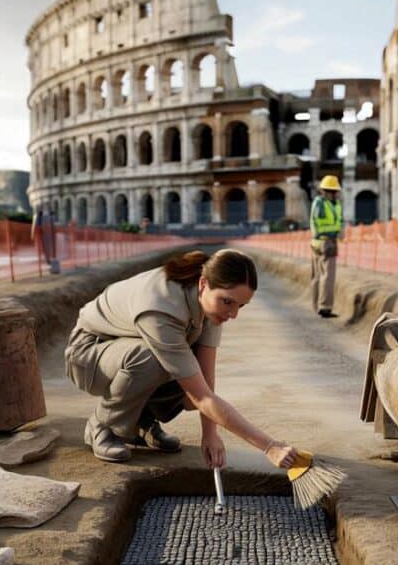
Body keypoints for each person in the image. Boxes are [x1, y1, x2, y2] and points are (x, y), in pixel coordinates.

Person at [64, 249, 301, 471]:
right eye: (228, 302)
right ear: (203, 284)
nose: (233, 314)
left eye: (241, 305)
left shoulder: (210, 305)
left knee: (185, 372)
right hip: (88, 355)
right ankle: (103, 425)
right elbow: (202, 397)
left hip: (126, 348)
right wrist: (269, 446)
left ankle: (139, 421)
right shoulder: (161, 307)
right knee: (151, 360)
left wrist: (210, 434)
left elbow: (205, 379)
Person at [309, 175, 344, 318]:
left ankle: (316, 306)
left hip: (318, 242)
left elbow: (338, 220)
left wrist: (340, 228)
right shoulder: (321, 204)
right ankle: (324, 307)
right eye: (335, 191)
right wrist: (336, 232)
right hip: (326, 242)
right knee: (327, 276)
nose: (337, 194)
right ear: (329, 191)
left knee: (317, 275)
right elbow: (320, 225)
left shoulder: (333, 204)